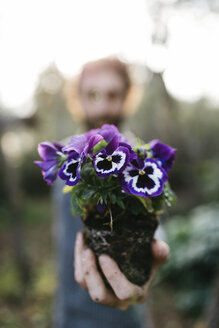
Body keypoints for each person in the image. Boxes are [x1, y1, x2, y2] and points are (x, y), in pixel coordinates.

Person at [53, 57, 169, 328]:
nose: (103, 105)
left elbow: (156, 226)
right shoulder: (63, 160)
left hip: (129, 317)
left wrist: (152, 258)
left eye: (113, 94)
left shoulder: (145, 159)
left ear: (127, 97)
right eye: (92, 94)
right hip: (71, 316)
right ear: (78, 98)